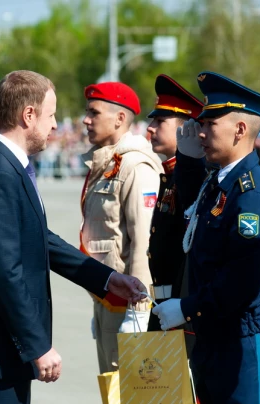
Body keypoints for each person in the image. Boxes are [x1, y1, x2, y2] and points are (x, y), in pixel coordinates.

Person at [0, 70, 146, 404]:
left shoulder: (7, 165)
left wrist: (108, 279)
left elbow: (41, 240)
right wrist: (36, 345)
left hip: (4, 346)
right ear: (28, 116)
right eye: (51, 116)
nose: (55, 126)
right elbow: (3, 270)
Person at [153, 71, 260, 404]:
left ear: (240, 130)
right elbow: (191, 217)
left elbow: (242, 281)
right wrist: (190, 162)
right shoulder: (220, 182)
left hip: (238, 344)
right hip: (212, 337)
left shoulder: (250, 193)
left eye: (211, 123)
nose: (202, 131)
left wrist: (186, 307)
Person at [81, 82, 163, 373]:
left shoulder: (135, 167)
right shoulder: (105, 164)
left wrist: (139, 312)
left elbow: (143, 244)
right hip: (106, 299)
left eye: (94, 112)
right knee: (111, 392)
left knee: (129, 394)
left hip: (127, 304)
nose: (86, 120)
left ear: (119, 119)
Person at [145, 74, 203, 352]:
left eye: (160, 122)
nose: (150, 129)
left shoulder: (192, 178)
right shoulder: (169, 175)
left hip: (181, 309)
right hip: (162, 307)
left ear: (185, 128)